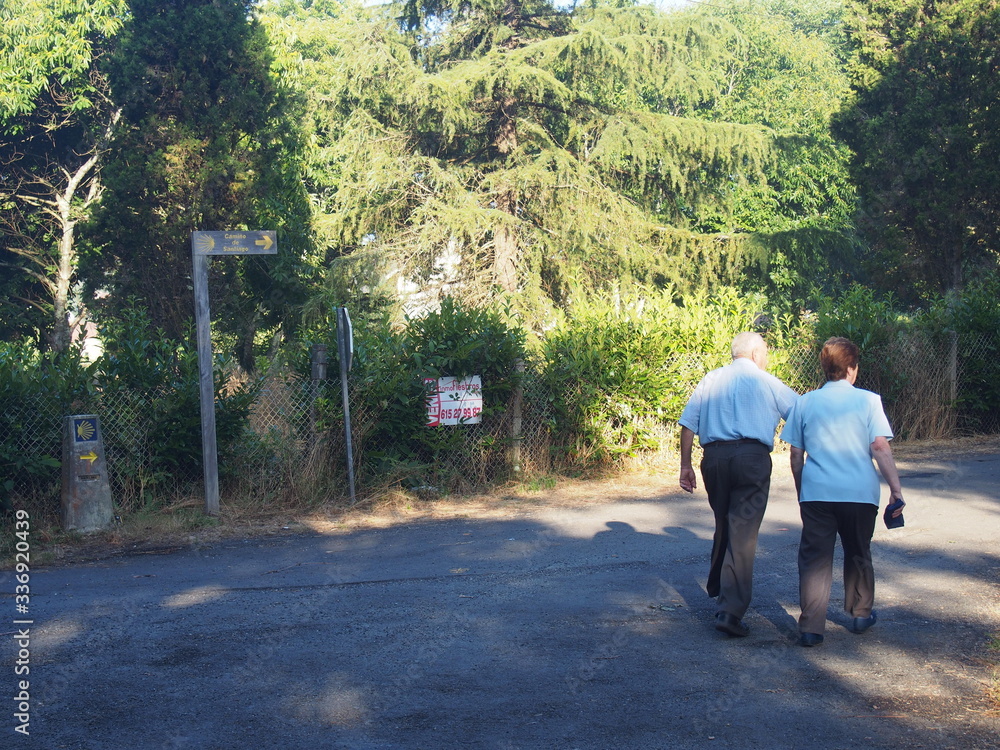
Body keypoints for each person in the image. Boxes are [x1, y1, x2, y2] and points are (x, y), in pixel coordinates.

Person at [780, 337, 905, 647]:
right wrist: (896, 489)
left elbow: (796, 455)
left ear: (825, 368)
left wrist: (802, 489)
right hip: (859, 493)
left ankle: (811, 627)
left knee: (815, 559)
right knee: (859, 550)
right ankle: (861, 613)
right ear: (852, 369)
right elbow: (879, 446)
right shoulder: (868, 400)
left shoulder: (805, 402)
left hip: (817, 493)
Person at [679, 332, 798, 637]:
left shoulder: (711, 379)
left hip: (715, 459)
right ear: (757, 353)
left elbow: (688, 422)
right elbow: (800, 412)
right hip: (752, 459)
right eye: (766, 352)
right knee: (742, 533)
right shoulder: (766, 381)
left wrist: (686, 465)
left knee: (725, 522)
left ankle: (720, 586)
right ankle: (729, 611)